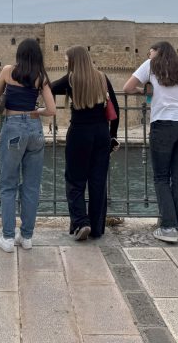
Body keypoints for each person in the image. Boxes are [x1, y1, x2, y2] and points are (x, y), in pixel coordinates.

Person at [123, 41, 178, 243]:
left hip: (164, 124)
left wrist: (144, 90)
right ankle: (177, 223)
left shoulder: (151, 65)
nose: (149, 55)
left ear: (157, 52)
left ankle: (169, 227)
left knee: (161, 177)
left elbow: (127, 87)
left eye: (150, 52)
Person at [0, 39, 56, 252]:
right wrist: (37, 111)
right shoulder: (41, 76)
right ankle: (26, 237)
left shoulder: (8, 70)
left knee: (8, 184)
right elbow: (52, 110)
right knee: (31, 186)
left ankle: (8, 237)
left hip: (13, 127)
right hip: (35, 129)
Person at [50, 46, 119, 240]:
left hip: (79, 133)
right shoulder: (102, 78)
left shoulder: (70, 79)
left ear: (74, 61)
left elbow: (50, 87)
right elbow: (115, 109)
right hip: (101, 133)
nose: (65, 63)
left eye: (66, 60)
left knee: (75, 180)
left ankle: (81, 223)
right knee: (98, 181)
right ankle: (96, 228)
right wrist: (112, 135)